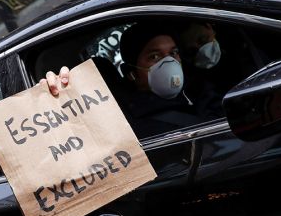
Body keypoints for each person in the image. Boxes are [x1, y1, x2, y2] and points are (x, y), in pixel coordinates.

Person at [42, 22, 223, 138]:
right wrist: (56, 95)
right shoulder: (127, 125)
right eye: (154, 56)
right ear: (132, 73)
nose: (170, 62)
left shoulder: (200, 89)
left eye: (173, 53)